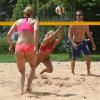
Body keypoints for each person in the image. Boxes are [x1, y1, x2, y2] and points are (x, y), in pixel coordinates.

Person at [7, 6, 38, 94]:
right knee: (32, 66)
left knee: (21, 71)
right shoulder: (34, 21)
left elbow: (8, 35)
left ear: (24, 13)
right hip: (30, 46)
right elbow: (35, 31)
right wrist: (36, 46)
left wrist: (11, 45)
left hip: (19, 46)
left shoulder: (17, 22)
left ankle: (21, 90)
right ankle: (28, 88)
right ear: (32, 13)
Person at [68, 10, 96, 75]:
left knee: (88, 56)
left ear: (82, 16)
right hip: (75, 42)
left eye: (79, 15)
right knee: (74, 58)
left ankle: (88, 72)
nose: (78, 16)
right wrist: (73, 43)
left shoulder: (85, 24)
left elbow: (89, 35)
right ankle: (72, 72)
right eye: (77, 15)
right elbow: (69, 34)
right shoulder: (73, 24)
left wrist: (93, 43)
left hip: (83, 42)